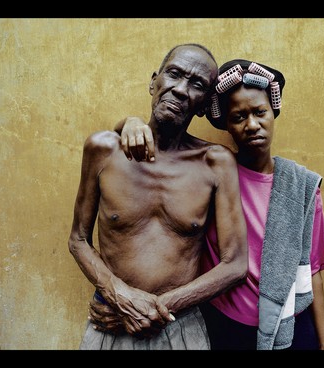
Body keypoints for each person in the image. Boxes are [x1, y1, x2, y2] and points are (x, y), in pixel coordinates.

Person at [92, 59, 324, 350]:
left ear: (273, 112)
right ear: (227, 125)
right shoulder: (213, 171)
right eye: (238, 117)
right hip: (225, 326)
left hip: (290, 326)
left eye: (260, 112)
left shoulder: (302, 187)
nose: (252, 125)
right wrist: (129, 122)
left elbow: (312, 270)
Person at [68, 45, 248, 350]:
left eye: (197, 84)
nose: (180, 89)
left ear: (204, 105)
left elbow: (235, 264)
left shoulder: (216, 162)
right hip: (111, 320)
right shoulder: (103, 149)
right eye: (174, 74)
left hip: (179, 325)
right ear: (155, 81)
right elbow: (78, 239)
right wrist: (118, 294)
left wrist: (155, 308)